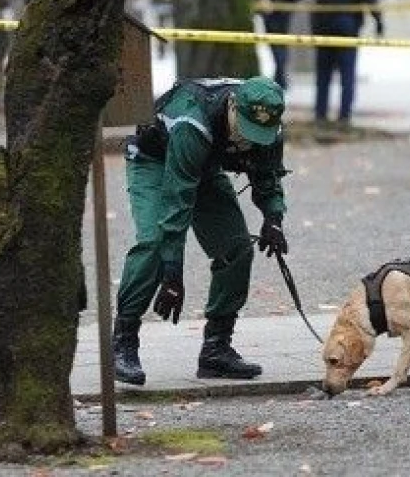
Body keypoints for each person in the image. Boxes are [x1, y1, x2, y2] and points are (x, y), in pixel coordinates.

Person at [113, 76, 290, 386]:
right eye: (246, 130)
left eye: (259, 135)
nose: (249, 141)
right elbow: (177, 199)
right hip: (155, 161)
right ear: (233, 105)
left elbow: (267, 173)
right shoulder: (192, 121)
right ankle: (123, 342)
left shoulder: (270, 127)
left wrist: (273, 217)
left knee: (236, 249)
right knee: (155, 244)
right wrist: (172, 273)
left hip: (205, 166)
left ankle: (216, 350)